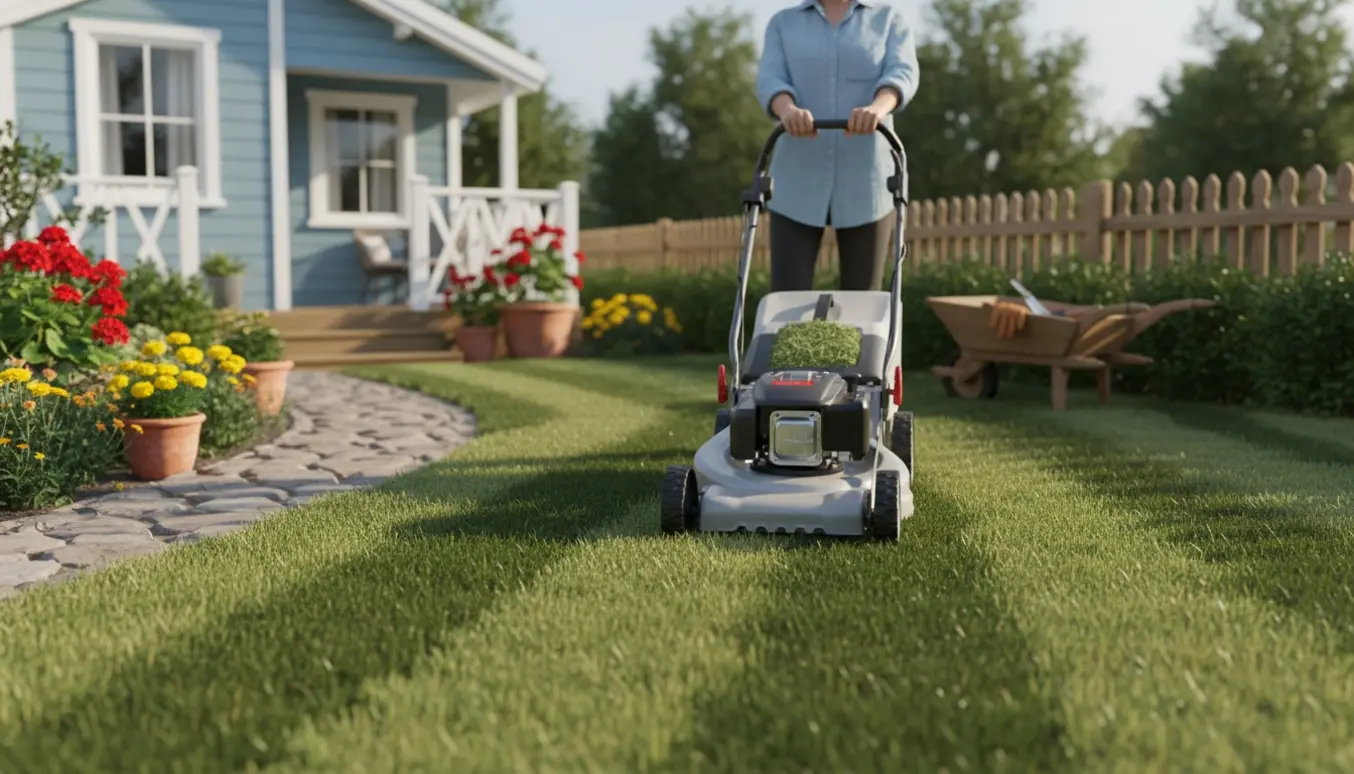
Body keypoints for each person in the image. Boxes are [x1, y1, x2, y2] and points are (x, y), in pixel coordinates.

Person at [755, 0, 919, 293]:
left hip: (868, 181)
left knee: (862, 301)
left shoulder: (888, 19)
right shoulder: (783, 23)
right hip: (795, 182)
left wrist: (878, 109)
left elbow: (901, 72)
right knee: (787, 300)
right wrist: (788, 111)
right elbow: (771, 79)